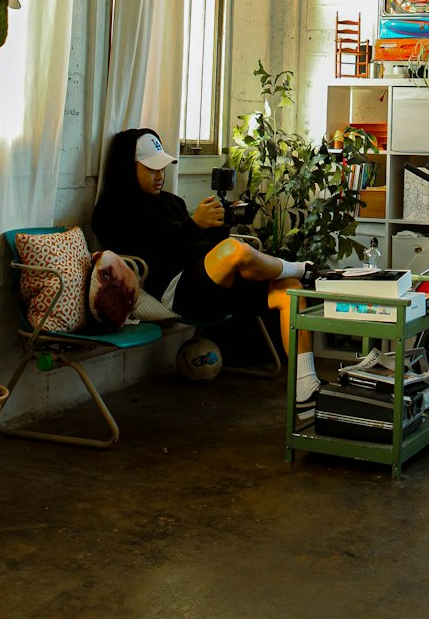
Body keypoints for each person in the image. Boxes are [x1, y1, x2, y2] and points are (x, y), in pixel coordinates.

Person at [92, 128, 321, 416]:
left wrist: (218, 223)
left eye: (162, 166)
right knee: (234, 250)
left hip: (210, 283)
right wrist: (194, 225)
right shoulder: (112, 211)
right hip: (175, 291)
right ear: (129, 166)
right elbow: (153, 253)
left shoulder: (171, 202)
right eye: (151, 168)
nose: (159, 174)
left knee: (289, 290)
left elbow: (199, 244)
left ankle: (306, 389)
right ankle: (304, 270)